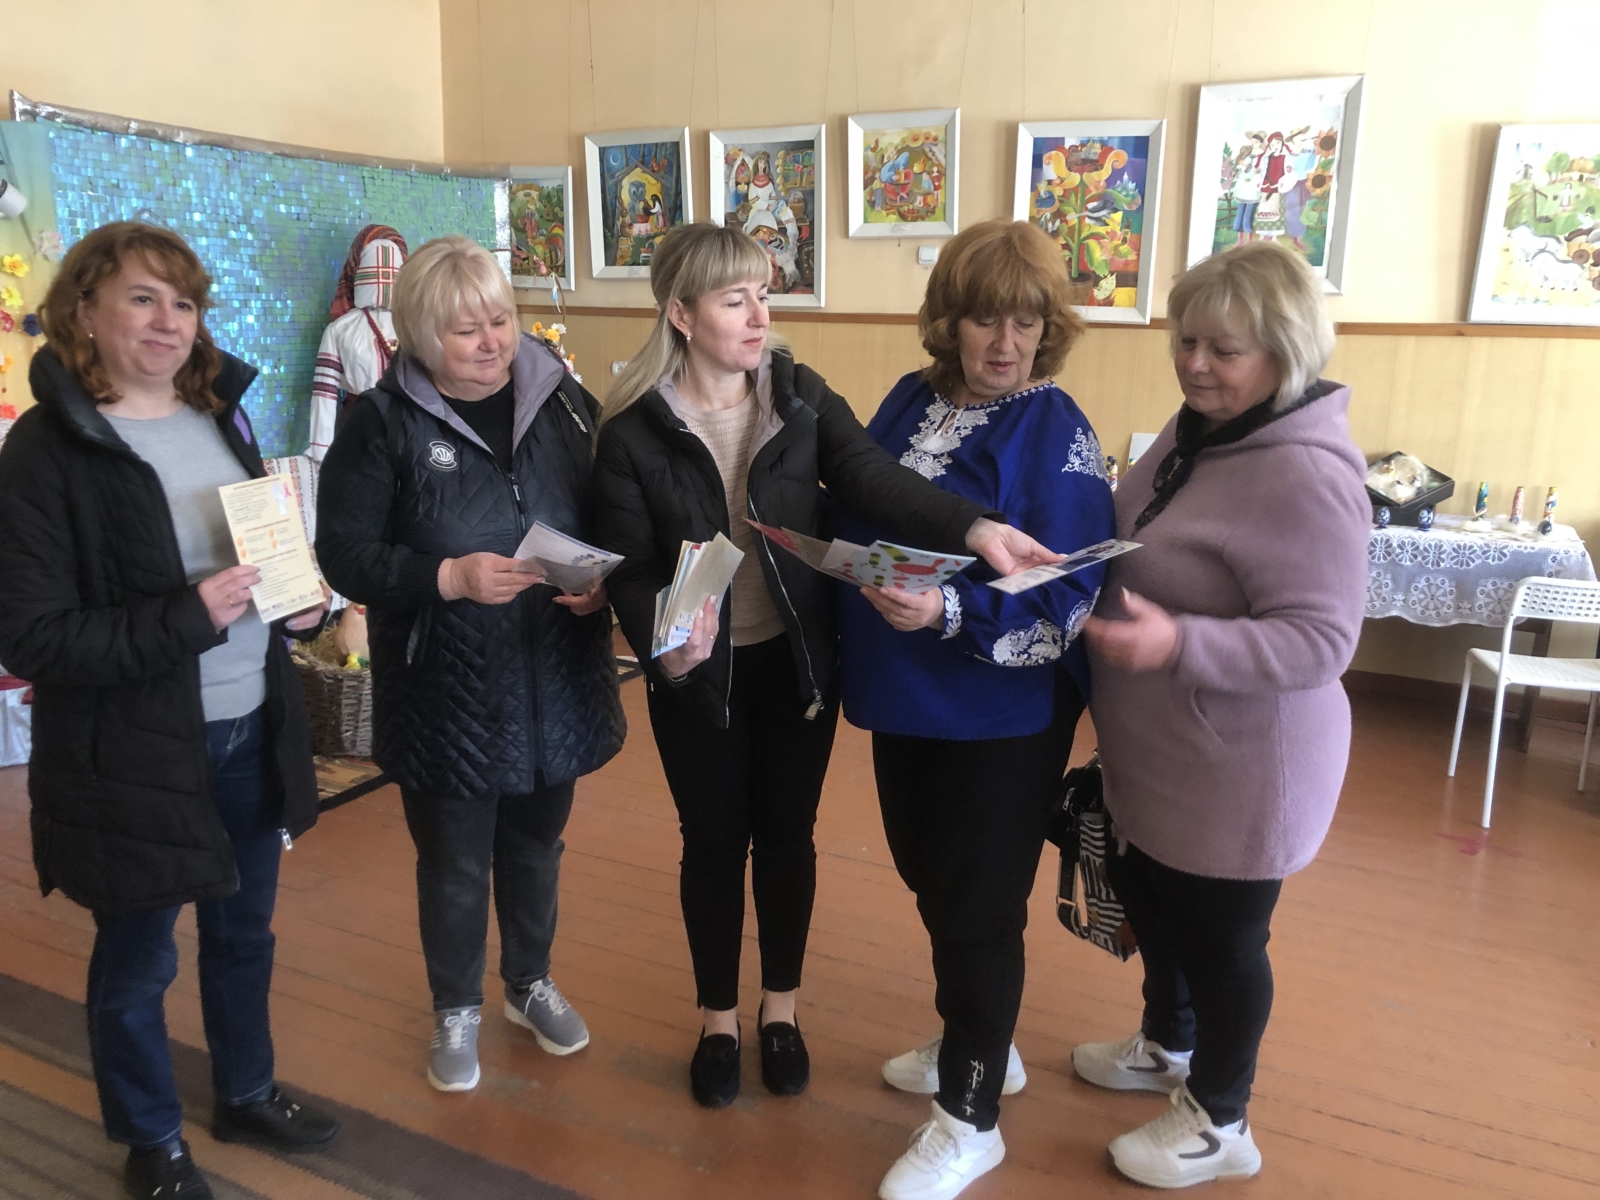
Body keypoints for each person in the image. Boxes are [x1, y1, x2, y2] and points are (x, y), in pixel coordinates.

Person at [590, 223, 1060, 1111]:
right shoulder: (633, 433)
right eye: (736, 301)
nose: (760, 317)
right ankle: (718, 1021)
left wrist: (975, 528)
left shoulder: (798, 393)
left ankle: (781, 1011)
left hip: (794, 664)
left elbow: (873, 478)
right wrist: (663, 636)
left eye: (764, 297)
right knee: (712, 845)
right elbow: (631, 568)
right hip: (699, 676)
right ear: (682, 315)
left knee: (788, 840)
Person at [0, 222, 338, 1200]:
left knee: (244, 935)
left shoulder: (219, 417)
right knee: (138, 959)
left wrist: (301, 600)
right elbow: (31, 639)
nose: (167, 321)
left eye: (183, 302)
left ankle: (246, 1093)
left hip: (251, 724)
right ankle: (150, 1139)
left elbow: (256, 557)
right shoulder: (46, 450)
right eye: (141, 298)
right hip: (131, 750)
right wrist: (187, 616)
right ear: (83, 312)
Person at [829, 219, 1116, 1200]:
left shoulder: (1056, 428)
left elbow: (1069, 590)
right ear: (948, 320)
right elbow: (862, 497)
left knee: (979, 908)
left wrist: (950, 610)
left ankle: (970, 1114)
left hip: (999, 711)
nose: (1005, 342)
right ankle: (982, 1037)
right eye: (986, 319)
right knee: (930, 879)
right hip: (902, 696)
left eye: (1026, 322)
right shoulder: (910, 398)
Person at [1077, 240, 1369, 1189]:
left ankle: (1222, 1119)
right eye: (1185, 341)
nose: (1195, 364)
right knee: (1156, 903)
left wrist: (1179, 643)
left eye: (1223, 350)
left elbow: (1322, 642)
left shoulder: (1306, 473)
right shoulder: (1202, 430)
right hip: (1166, 752)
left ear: (1284, 354)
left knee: (1226, 942)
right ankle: (1170, 1043)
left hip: (1244, 768)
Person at [316, 236, 624, 1094]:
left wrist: (602, 584)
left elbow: (612, 508)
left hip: (555, 674)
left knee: (537, 844)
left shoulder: (565, 402)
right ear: (421, 337)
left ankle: (529, 983)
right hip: (446, 688)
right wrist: (447, 577)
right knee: (453, 860)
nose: (493, 342)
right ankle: (455, 1008)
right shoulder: (381, 424)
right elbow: (343, 554)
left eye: (501, 319)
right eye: (466, 330)